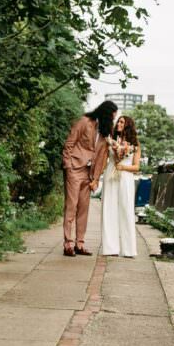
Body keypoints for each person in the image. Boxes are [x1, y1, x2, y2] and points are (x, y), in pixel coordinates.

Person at [62, 100, 117, 256]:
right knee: (71, 207)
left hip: (89, 173)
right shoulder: (84, 121)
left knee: (83, 210)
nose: (113, 120)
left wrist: (96, 178)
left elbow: (102, 156)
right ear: (105, 113)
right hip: (75, 168)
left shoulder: (105, 132)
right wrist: (68, 166)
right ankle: (68, 244)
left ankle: (79, 244)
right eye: (112, 117)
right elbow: (69, 143)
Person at [98, 115, 140, 257]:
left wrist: (123, 167)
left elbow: (136, 167)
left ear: (128, 125)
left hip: (126, 177)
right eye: (118, 122)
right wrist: (96, 177)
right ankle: (110, 248)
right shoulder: (110, 140)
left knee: (126, 210)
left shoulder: (135, 144)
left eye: (122, 122)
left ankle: (129, 250)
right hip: (110, 175)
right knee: (108, 209)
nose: (118, 124)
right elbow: (104, 161)